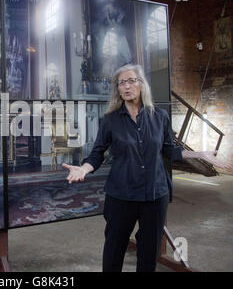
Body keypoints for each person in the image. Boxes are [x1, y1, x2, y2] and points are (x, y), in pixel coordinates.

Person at [63, 64, 232, 272]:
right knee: (114, 251)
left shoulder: (160, 117)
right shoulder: (110, 120)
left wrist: (200, 154)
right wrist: (84, 169)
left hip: (155, 194)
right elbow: (97, 154)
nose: (126, 86)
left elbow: (170, 151)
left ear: (142, 85)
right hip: (121, 195)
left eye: (131, 80)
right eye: (121, 83)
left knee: (148, 256)